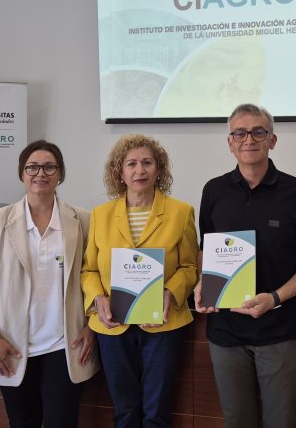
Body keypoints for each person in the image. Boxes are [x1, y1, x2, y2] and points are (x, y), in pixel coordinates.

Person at [194, 104, 296, 428]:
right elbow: (205, 250)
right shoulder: (214, 191)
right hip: (226, 332)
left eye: (258, 132)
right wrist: (203, 283)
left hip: (281, 331)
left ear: (272, 140)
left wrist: (275, 297)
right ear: (230, 142)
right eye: (240, 133)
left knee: (281, 421)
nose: (249, 140)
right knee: (236, 421)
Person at [0, 140, 98, 428]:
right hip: (11, 344)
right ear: (22, 173)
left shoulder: (83, 220)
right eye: (32, 167)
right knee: (22, 422)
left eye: (50, 167)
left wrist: (93, 326)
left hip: (64, 344)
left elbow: (97, 276)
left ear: (60, 174)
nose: (41, 173)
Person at [82, 134, 198, 428]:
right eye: (131, 164)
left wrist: (170, 292)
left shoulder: (181, 212)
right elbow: (89, 270)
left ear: (159, 169)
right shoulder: (100, 215)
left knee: (156, 413)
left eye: (147, 162)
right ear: (119, 172)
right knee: (125, 412)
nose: (140, 170)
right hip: (113, 325)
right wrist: (98, 299)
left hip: (163, 325)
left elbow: (189, 267)